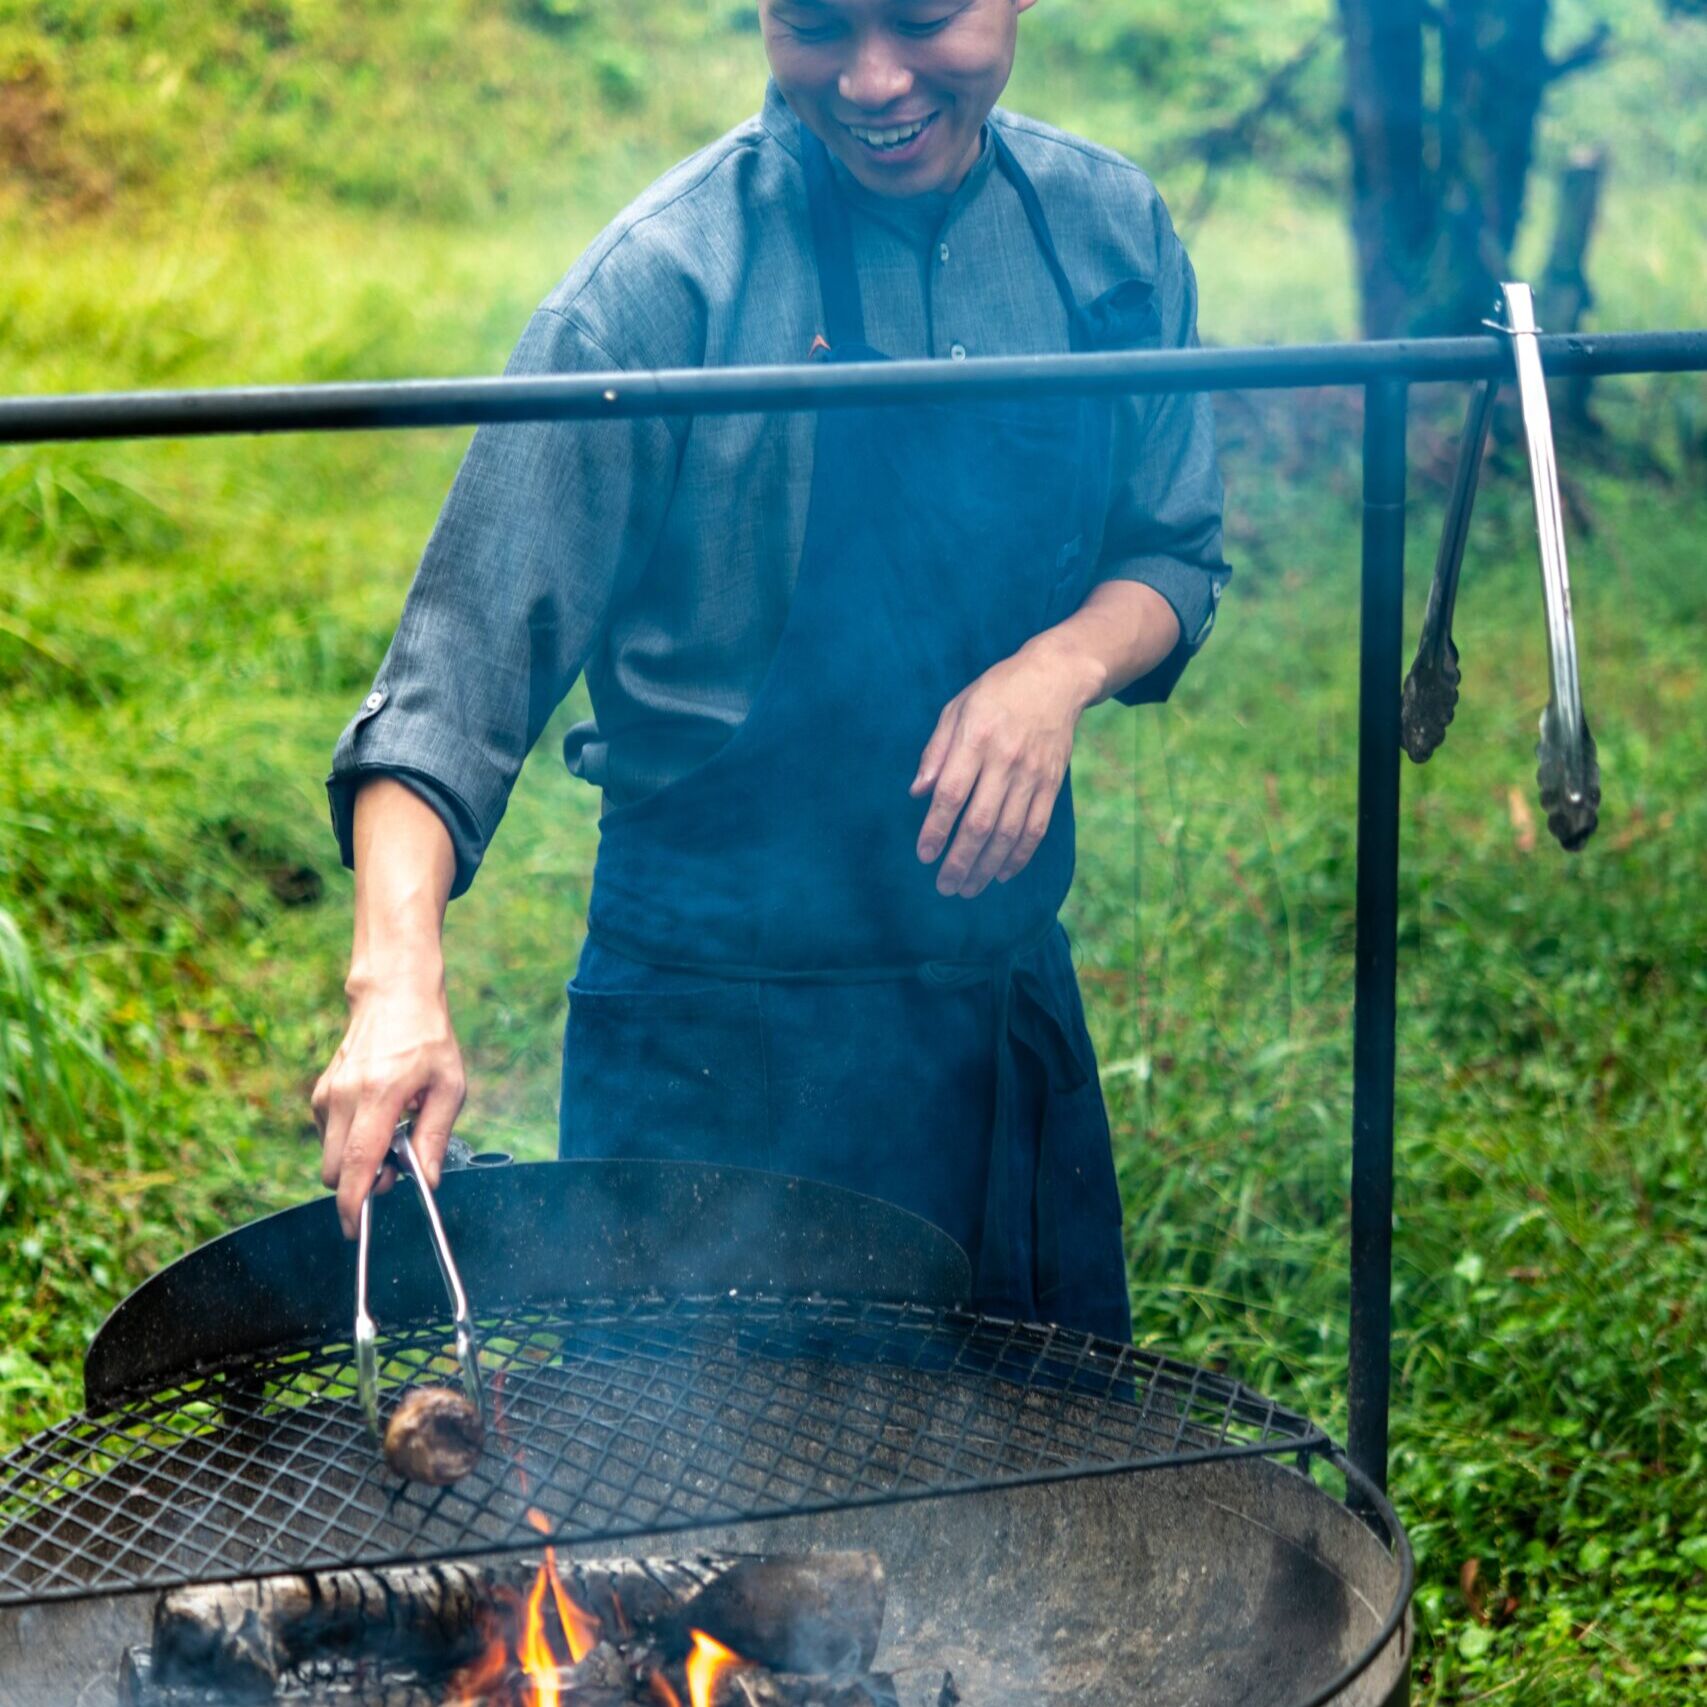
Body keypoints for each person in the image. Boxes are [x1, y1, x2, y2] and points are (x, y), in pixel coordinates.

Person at [312, 0, 1229, 1342]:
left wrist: (1062, 664)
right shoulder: (659, 287)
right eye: (812, 28)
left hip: (993, 1025)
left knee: (1036, 1494)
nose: (870, 81)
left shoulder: (1104, 236)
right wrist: (396, 985)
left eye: (922, 20)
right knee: (689, 1532)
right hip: (708, 1054)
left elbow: (1175, 549)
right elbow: (454, 674)